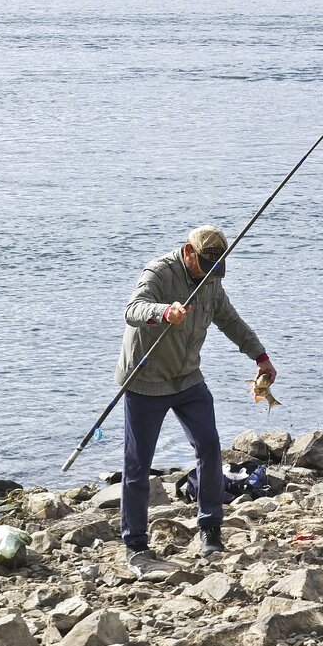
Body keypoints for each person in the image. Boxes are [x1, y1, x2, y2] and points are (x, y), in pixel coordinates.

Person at [115, 225, 277, 578]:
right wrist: (163, 312)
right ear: (189, 253)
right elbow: (133, 309)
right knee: (138, 464)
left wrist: (260, 356)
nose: (211, 274)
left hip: (187, 378)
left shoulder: (212, 282)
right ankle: (136, 546)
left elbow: (229, 320)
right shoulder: (159, 271)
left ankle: (210, 530)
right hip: (146, 380)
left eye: (217, 267)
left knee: (209, 447)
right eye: (206, 264)